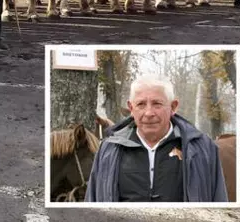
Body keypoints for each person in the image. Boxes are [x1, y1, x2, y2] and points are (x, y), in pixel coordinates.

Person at [85, 75, 228, 202]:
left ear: (173, 107)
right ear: (131, 108)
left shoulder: (203, 149)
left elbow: (219, 205)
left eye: (157, 104)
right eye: (140, 104)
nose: (148, 113)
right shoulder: (108, 150)